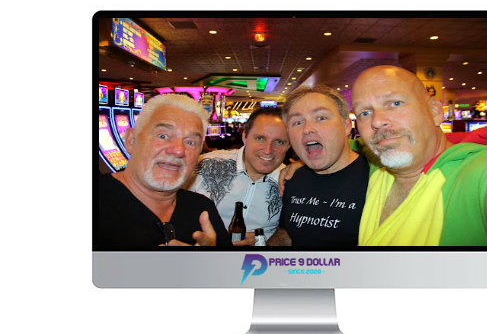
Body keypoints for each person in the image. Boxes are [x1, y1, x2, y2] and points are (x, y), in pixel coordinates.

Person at [350, 65, 487, 246]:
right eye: (365, 113)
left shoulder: (480, 172)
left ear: (435, 111)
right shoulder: (372, 163)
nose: (376, 121)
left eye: (395, 103)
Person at [98, 93, 232, 249]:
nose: (178, 150)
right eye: (163, 136)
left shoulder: (202, 208)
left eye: (190, 142)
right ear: (131, 140)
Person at [266, 85, 369, 247]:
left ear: (346, 126)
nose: (307, 129)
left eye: (321, 118)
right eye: (297, 122)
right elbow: (287, 231)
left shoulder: (375, 180)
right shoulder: (293, 177)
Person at [184, 107, 290, 245]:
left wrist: (265, 240)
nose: (268, 150)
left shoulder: (292, 183)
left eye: (279, 141)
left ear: (289, 145)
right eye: (260, 138)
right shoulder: (204, 165)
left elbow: (292, 232)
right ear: (245, 136)